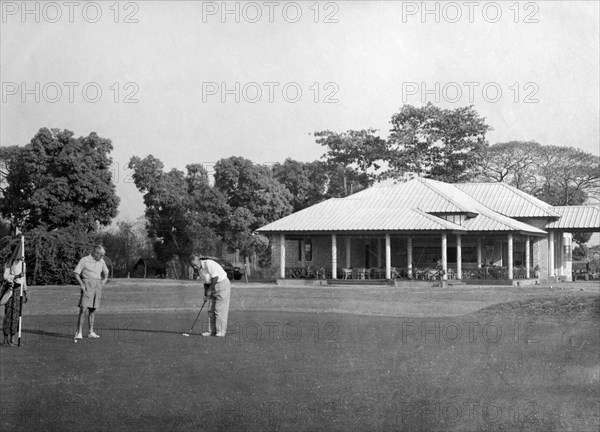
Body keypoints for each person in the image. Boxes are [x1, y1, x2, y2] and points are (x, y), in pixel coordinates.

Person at [189, 256, 231, 337]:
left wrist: (209, 290)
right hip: (212, 286)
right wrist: (206, 294)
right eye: (192, 265)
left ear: (198, 260)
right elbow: (206, 282)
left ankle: (221, 331)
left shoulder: (209, 263)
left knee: (219, 309)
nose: (194, 267)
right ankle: (211, 331)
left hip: (222, 284)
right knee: (210, 310)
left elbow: (215, 277)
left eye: (194, 264)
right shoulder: (199, 270)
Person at [73, 245, 109, 340]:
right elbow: (76, 273)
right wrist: (81, 284)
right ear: (96, 253)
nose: (102, 257)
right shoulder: (84, 260)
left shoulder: (101, 261)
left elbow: (106, 272)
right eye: (101, 255)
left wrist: (104, 280)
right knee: (83, 309)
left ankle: (90, 332)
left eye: (103, 255)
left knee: (93, 310)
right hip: (87, 285)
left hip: (97, 285)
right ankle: (79, 332)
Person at [2, 246, 26, 346]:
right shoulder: (9, 263)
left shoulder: (23, 264)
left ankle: (12, 338)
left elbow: (24, 278)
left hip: (19, 290)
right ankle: (5, 339)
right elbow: (5, 276)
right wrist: (16, 276)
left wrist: (25, 290)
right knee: (9, 313)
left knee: (16, 314)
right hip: (10, 289)